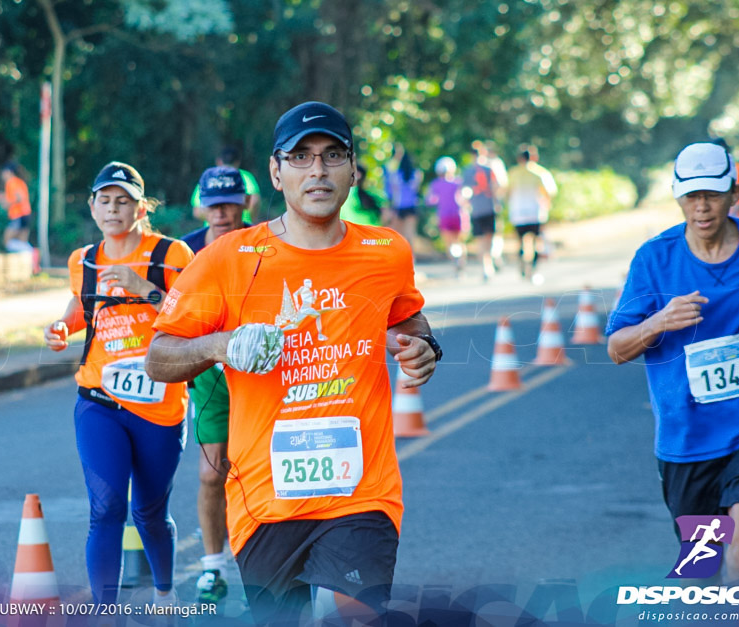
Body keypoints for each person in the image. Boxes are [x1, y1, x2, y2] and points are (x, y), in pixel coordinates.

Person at [146, 101, 441, 625]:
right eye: (301, 157)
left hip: (362, 495)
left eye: (332, 156)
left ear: (354, 170)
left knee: (351, 617)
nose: (319, 171)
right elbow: (159, 358)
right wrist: (219, 345)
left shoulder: (387, 252)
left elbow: (408, 319)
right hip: (265, 502)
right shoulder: (228, 259)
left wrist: (423, 349)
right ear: (276, 172)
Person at [606, 141, 739, 585]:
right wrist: (658, 322)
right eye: (691, 196)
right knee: (703, 567)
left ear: (734, 194)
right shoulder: (654, 260)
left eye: (712, 195)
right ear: (678, 197)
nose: (702, 207)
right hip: (686, 437)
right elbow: (617, 349)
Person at [41, 162, 193, 606]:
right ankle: (104, 610)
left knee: (149, 513)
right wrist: (59, 327)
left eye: (123, 200)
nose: (113, 209)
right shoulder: (84, 260)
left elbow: (192, 319)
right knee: (106, 509)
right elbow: (81, 307)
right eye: (104, 200)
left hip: (159, 405)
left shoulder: (171, 255)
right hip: (99, 400)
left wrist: (140, 286)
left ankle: (165, 595)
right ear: (92, 207)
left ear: (140, 208)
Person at [178, 166, 251, 604]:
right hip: (207, 370)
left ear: (245, 203)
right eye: (214, 203)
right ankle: (212, 567)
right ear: (202, 204)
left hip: (256, 371)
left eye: (229, 202)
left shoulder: (266, 242)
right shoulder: (186, 250)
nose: (221, 212)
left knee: (260, 469)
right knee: (211, 473)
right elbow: (166, 307)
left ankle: (265, 562)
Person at [506, 146, 557, 283]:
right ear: (534, 157)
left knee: (521, 242)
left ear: (519, 158)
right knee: (536, 242)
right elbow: (550, 192)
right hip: (535, 212)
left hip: (517, 213)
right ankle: (533, 269)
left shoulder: (513, 172)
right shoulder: (540, 172)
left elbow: (507, 192)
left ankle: (522, 263)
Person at [463, 145, 505, 282]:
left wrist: (467, 204)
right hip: (489, 207)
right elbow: (497, 185)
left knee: (480, 240)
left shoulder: (467, 171)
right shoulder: (489, 169)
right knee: (490, 238)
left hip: (476, 209)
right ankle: (490, 261)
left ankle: (485, 267)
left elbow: (464, 192)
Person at [191, 146, 262, 223]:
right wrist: (250, 220)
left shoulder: (209, 178)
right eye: (214, 206)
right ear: (237, 162)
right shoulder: (245, 176)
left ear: (219, 161)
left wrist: (215, 220)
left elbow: (197, 211)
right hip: (243, 229)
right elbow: (254, 201)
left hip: (216, 232)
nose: (220, 213)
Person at [382, 143, 423, 257]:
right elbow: (416, 190)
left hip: (399, 206)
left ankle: (399, 257)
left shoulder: (395, 175)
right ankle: (411, 259)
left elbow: (392, 192)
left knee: (398, 235)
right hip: (412, 207)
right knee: (410, 235)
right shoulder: (416, 174)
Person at [426, 156, 466, 271]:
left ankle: (455, 261)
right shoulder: (458, 182)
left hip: (444, 216)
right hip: (458, 215)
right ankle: (460, 261)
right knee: (458, 241)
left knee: (449, 243)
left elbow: (430, 200)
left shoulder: (435, 184)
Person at [0, 162, 33, 252]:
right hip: (26, 214)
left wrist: (7, 203)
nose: (2, 175)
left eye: (3, 172)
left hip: (18, 215)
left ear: (9, 172)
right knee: (22, 242)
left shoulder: (11, 182)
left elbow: (20, 197)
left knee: (7, 241)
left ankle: (32, 252)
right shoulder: (18, 181)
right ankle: (31, 257)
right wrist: (4, 199)